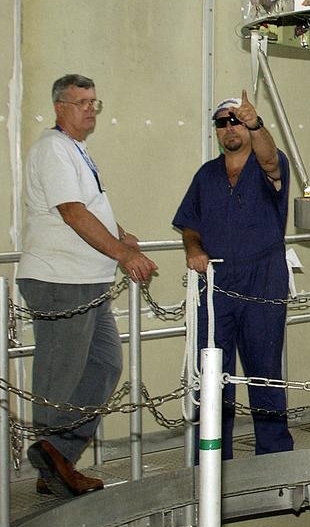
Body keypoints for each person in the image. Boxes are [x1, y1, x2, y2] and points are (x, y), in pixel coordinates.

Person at [18, 74, 158, 498]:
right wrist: (124, 255)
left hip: (86, 281)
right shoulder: (53, 149)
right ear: (59, 107)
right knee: (60, 377)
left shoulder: (76, 150)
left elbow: (90, 206)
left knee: (103, 365)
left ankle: (56, 460)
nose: (89, 110)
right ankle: (53, 459)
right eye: (81, 102)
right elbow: (72, 212)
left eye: (94, 102)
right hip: (60, 280)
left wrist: (121, 234)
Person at [173, 91, 294, 458]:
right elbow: (189, 224)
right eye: (223, 122)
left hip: (263, 279)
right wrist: (194, 249)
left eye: (236, 121)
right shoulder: (207, 175)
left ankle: (273, 455)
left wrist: (257, 123)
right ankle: (212, 455)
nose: (230, 128)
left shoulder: (268, 167)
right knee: (212, 372)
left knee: (264, 370)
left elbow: (271, 159)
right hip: (216, 284)